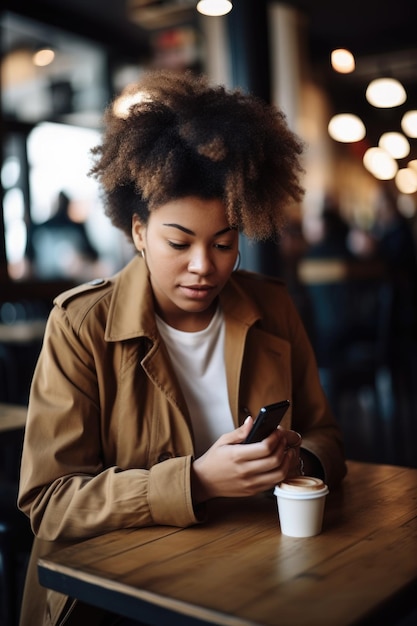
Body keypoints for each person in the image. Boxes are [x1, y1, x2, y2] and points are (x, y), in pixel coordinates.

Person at [18, 70, 347, 626]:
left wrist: (297, 460)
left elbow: (327, 436)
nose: (204, 266)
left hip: (251, 566)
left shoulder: (272, 307)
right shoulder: (81, 325)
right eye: (178, 242)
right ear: (139, 231)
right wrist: (196, 481)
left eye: (223, 243)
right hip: (114, 593)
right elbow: (50, 503)